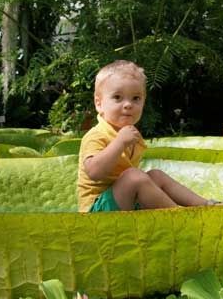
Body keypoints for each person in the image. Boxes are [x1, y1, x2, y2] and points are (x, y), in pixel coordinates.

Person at [78, 60, 214, 212]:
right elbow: (94, 173)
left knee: (156, 175)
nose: (128, 104)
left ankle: (207, 205)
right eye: (117, 97)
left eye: (136, 98)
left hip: (123, 202)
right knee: (133, 177)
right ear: (99, 104)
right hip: (96, 211)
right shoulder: (97, 135)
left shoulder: (132, 136)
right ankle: (180, 217)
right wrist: (119, 143)